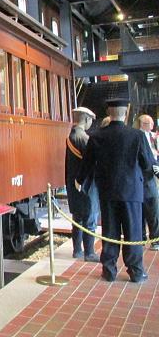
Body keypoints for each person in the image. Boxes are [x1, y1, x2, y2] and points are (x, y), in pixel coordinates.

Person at [78, 98, 155, 283]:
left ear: (108, 113)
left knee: (110, 231)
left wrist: (79, 180)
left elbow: (87, 164)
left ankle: (109, 270)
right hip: (132, 192)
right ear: (126, 113)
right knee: (133, 232)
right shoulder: (137, 136)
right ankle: (136, 272)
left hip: (107, 191)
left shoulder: (97, 136)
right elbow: (148, 164)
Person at [65, 107, 99, 261]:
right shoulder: (84, 138)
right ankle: (89, 252)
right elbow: (92, 162)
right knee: (90, 218)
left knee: (77, 218)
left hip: (73, 184)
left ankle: (77, 250)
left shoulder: (71, 136)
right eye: (90, 120)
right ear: (86, 119)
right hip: (87, 184)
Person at [133, 114, 159, 251]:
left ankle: (155, 239)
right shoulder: (138, 136)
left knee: (153, 209)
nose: (152, 126)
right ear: (142, 124)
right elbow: (145, 157)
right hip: (143, 175)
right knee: (144, 210)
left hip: (152, 175)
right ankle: (142, 239)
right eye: (150, 123)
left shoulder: (153, 137)